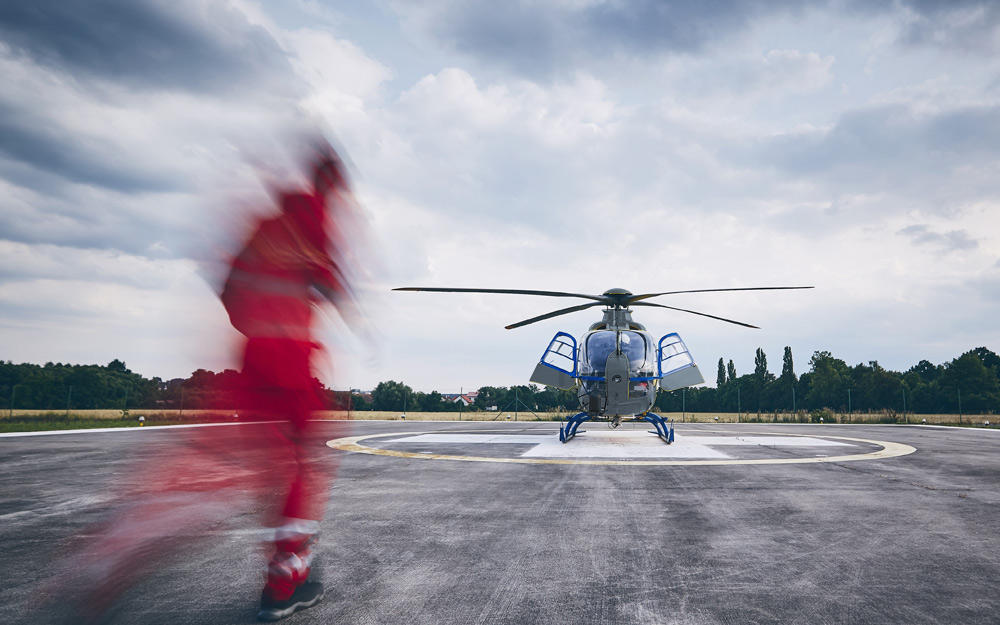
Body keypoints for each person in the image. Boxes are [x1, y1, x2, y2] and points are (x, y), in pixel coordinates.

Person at [221, 145, 357, 621]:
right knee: (302, 465)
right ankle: (285, 577)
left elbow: (228, 287)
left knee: (272, 469)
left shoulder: (264, 225)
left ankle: (285, 566)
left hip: (253, 356)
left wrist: (256, 327)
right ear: (331, 186)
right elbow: (331, 283)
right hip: (291, 357)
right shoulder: (315, 219)